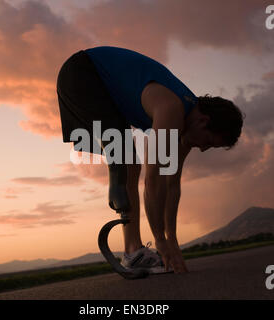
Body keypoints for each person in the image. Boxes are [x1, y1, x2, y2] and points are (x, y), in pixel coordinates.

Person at [56, 46, 244, 274]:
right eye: (208, 142)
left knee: (128, 161)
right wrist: (159, 240)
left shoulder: (184, 129)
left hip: (102, 85)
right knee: (127, 162)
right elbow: (153, 181)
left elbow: (171, 184)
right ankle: (133, 251)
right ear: (204, 121)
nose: (203, 149)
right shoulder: (173, 109)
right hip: (83, 73)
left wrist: (171, 237)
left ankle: (132, 252)